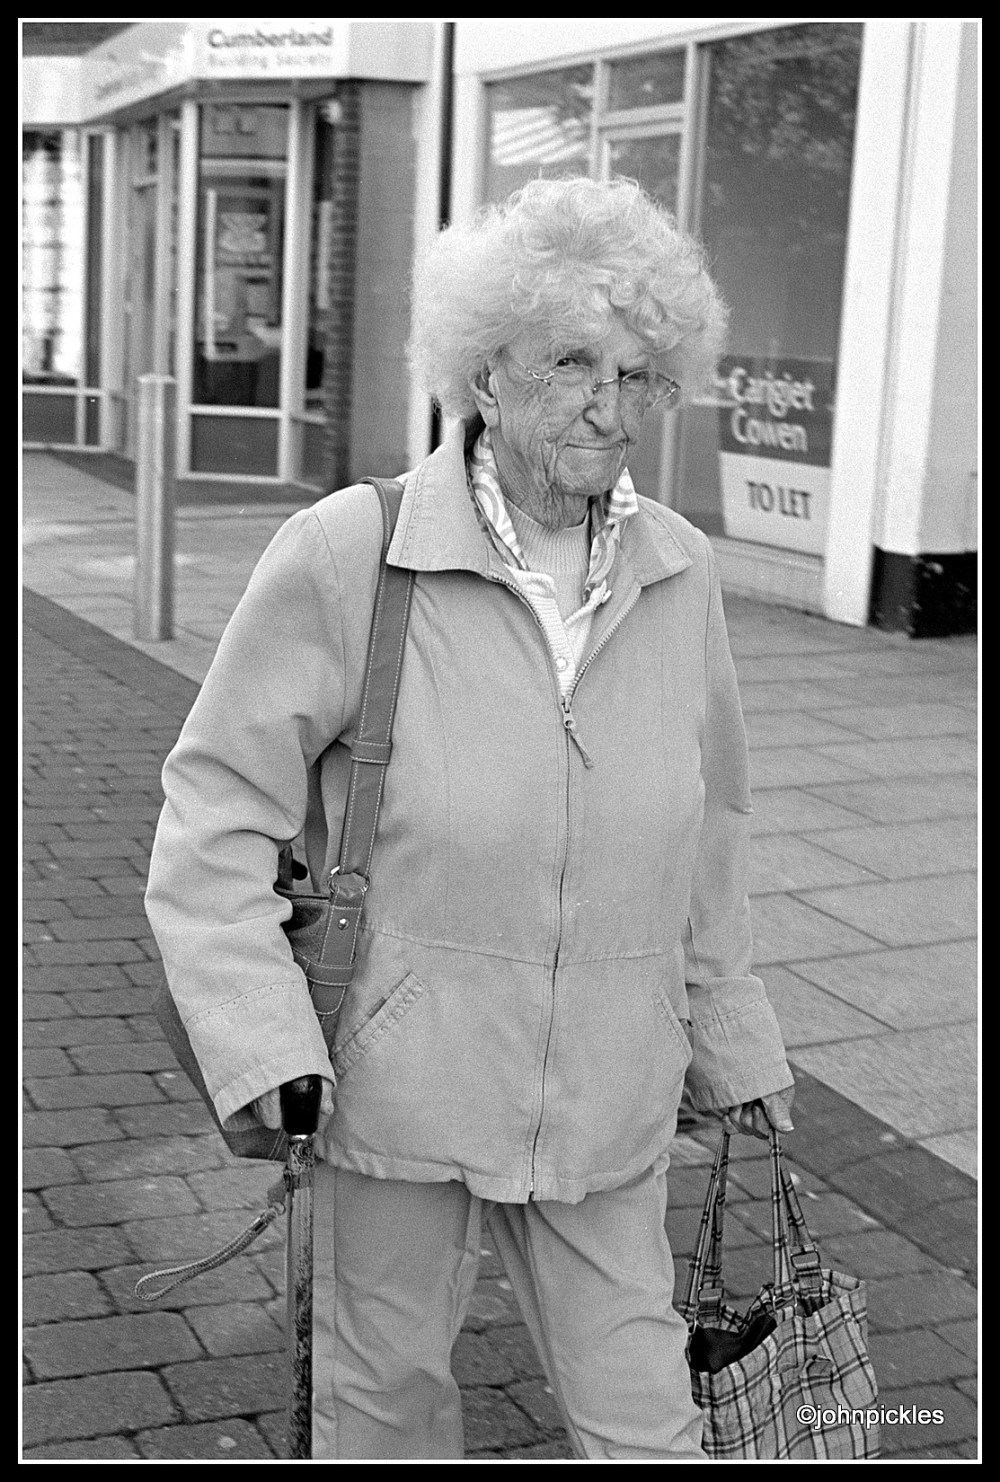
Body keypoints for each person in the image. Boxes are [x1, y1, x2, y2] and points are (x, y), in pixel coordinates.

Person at [145, 176, 795, 1460]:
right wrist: (261, 1035)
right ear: (484, 372)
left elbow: (708, 826)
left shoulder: (679, 568)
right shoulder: (353, 550)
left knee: (650, 1422)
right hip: (399, 1085)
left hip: (607, 1089)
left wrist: (726, 1033)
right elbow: (215, 808)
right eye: (570, 364)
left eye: (637, 374)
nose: (609, 408)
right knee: (383, 1410)